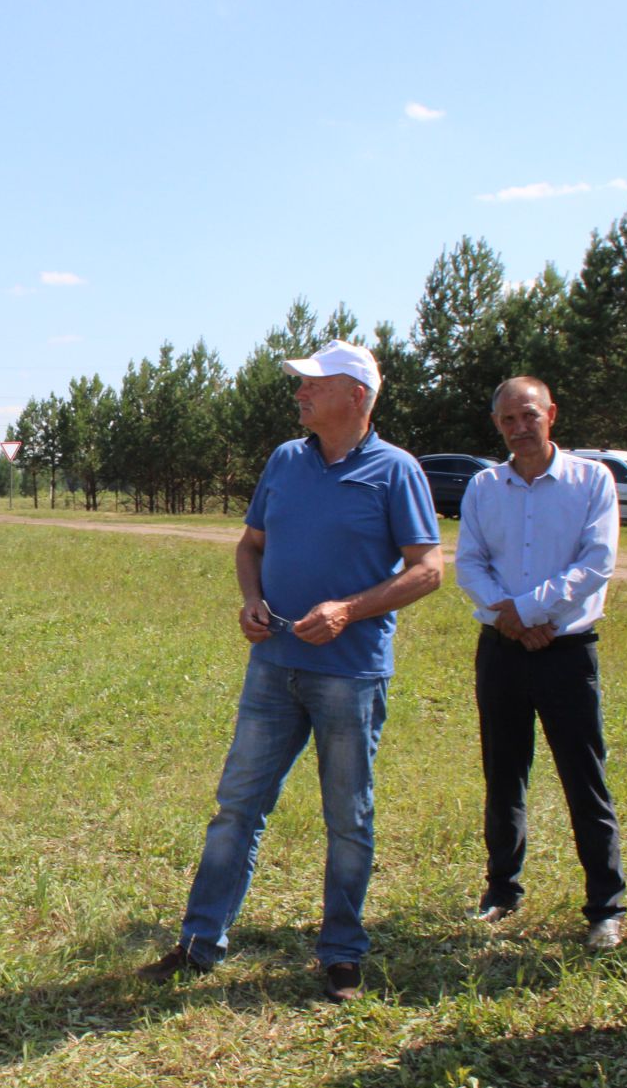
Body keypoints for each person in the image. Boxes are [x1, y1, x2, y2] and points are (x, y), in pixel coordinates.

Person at [139, 340, 442, 1002]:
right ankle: (199, 943)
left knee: (348, 819)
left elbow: (427, 570)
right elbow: (251, 546)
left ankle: (340, 954)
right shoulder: (284, 461)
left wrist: (348, 611)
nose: (299, 393)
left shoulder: (396, 472)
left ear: (356, 396)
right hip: (274, 667)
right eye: (300, 384)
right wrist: (251, 599)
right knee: (236, 809)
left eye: (313, 384)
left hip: (350, 674)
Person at [456, 376, 626, 949]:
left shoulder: (591, 480)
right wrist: (510, 619)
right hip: (502, 651)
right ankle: (502, 889)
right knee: (504, 773)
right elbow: (470, 564)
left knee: (585, 778)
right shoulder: (485, 486)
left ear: (551, 413)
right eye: (507, 420)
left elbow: (596, 562)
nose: (519, 428)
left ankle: (606, 905)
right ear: (497, 425)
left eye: (529, 415)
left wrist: (527, 611)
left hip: (566, 650)